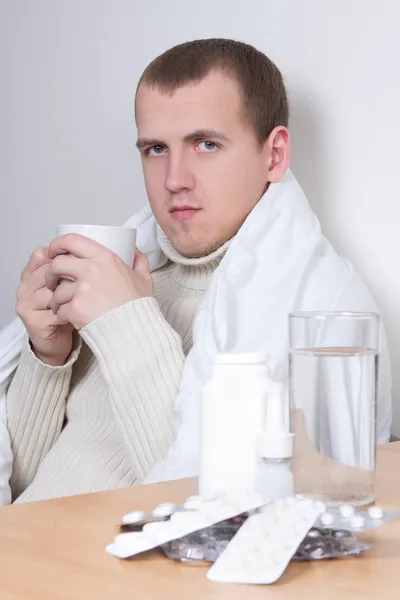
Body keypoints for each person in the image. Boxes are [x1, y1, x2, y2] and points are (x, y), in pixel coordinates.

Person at [5, 38, 391, 503]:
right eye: (155, 149)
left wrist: (128, 325)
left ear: (274, 154)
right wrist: (48, 358)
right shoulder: (118, 276)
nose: (174, 179)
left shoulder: (325, 310)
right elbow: (23, 488)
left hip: (116, 573)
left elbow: (219, 511)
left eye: (206, 144)